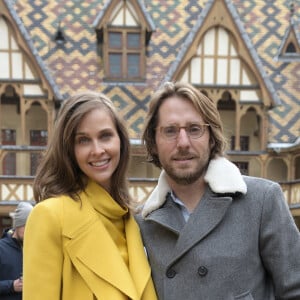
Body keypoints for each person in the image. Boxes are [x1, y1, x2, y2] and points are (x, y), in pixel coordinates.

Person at [136, 81, 300, 300]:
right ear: (154, 142)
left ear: (211, 138)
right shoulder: (143, 223)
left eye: (194, 129)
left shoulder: (262, 201)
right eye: (170, 131)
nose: (183, 142)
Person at [23, 91, 157, 300]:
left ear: (120, 141)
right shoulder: (50, 216)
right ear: (69, 150)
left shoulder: (132, 219)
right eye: (83, 140)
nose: (97, 150)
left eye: (105, 136)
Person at [0, 201, 33, 300]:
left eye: (32, 226)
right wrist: (11, 286)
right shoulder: (1, 248)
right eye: (25, 225)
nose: (29, 230)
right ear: (17, 224)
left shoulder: (36, 249)